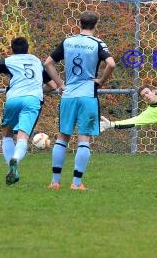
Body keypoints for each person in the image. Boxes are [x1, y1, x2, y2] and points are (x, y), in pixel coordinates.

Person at [44, 10, 116, 191]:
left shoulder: (68, 42)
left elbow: (47, 63)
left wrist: (60, 83)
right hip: (87, 96)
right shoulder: (97, 43)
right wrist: (101, 81)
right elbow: (111, 64)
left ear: (80, 24)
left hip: (68, 95)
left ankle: (55, 182)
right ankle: (76, 183)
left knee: (63, 137)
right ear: (96, 24)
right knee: (84, 138)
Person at [0, 36, 56, 185]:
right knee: (22, 137)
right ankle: (15, 159)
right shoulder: (36, 61)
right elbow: (53, 86)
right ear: (28, 49)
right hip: (32, 100)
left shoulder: (8, 60)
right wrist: (38, 90)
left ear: (12, 49)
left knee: (7, 134)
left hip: (13, 99)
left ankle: (12, 167)